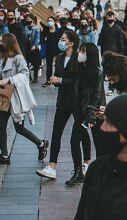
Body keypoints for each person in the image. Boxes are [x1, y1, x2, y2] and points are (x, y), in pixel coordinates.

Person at [0, 33, 49, 166]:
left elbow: (25, 75)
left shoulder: (18, 58)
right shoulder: (2, 57)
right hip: (3, 96)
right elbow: (0, 75)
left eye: (2, 41)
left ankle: (41, 143)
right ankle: (4, 155)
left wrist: (9, 79)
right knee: (1, 126)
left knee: (19, 128)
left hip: (15, 98)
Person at [37, 30, 83, 181]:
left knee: (79, 136)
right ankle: (52, 166)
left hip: (77, 101)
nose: (61, 42)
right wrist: (54, 80)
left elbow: (79, 81)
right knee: (56, 133)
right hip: (63, 100)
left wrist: (61, 80)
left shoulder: (79, 58)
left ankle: (81, 166)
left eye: (63, 39)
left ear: (71, 42)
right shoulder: (60, 57)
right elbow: (58, 76)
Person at [64, 43, 106, 187]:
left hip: (92, 112)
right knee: (74, 140)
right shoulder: (79, 69)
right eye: (80, 50)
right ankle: (78, 172)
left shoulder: (98, 72)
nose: (80, 53)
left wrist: (91, 113)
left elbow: (97, 94)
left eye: (83, 51)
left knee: (99, 142)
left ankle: (101, 173)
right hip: (79, 111)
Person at [41, 17, 63, 86]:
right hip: (48, 50)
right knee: (49, 66)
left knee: (57, 66)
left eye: (51, 20)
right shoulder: (46, 30)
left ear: (54, 22)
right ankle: (48, 80)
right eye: (48, 21)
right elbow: (42, 38)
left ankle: (57, 80)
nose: (49, 22)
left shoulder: (58, 30)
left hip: (57, 50)